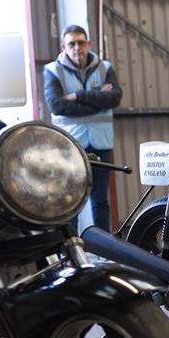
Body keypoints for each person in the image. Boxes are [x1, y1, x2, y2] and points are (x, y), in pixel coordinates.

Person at [44, 25, 122, 232]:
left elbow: (114, 98)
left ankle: (106, 251)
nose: (77, 48)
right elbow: (57, 105)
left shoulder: (105, 67)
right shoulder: (53, 71)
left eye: (81, 42)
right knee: (71, 201)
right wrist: (98, 96)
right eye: (72, 44)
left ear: (88, 44)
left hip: (101, 144)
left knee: (100, 200)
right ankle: (73, 250)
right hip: (70, 147)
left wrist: (78, 95)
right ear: (64, 47)